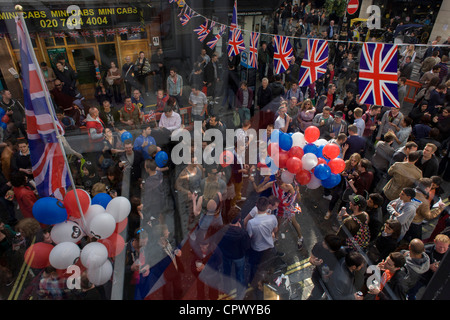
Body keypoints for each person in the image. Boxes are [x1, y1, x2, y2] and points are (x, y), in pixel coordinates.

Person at [216, 207, 250, 299]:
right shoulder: (242, 233)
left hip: (226, 255)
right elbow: (246, 246)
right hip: (239, 256)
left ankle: (227, 289)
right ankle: (240, 294)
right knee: (240, 275)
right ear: (239, 220)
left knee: (226, 272)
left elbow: (219, 244)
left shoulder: (222, 230)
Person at [246, 196, 279, 286]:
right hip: (268, 247)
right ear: (267, 206)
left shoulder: (251, 223)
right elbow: (275, 230)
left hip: (256, 249)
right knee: (264, 265)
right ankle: (261, 278)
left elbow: (249, 236)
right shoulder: (273, 218)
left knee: (254, 266)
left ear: (257, 205)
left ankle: (252, 281)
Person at [307, 234, 346, 300]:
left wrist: (332, 272)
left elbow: (342, 267)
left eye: (325, 243)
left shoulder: (341, 253)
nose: (323, 243)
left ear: (332, 249)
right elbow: (311, 259)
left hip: (333, 279)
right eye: (325, 241)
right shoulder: (319, 246)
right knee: (316, 293)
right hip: (319, 276)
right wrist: (314, 262)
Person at [124, 228, 151, 300]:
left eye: (146, 242)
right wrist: (131, 268)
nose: (145, 245)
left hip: (144, 281)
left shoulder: (145, 247)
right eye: (143, 243)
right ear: (136, 241)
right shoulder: (125, 250)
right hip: (130, 285)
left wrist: (148, 266)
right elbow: (117, 270)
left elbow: (150, 258)